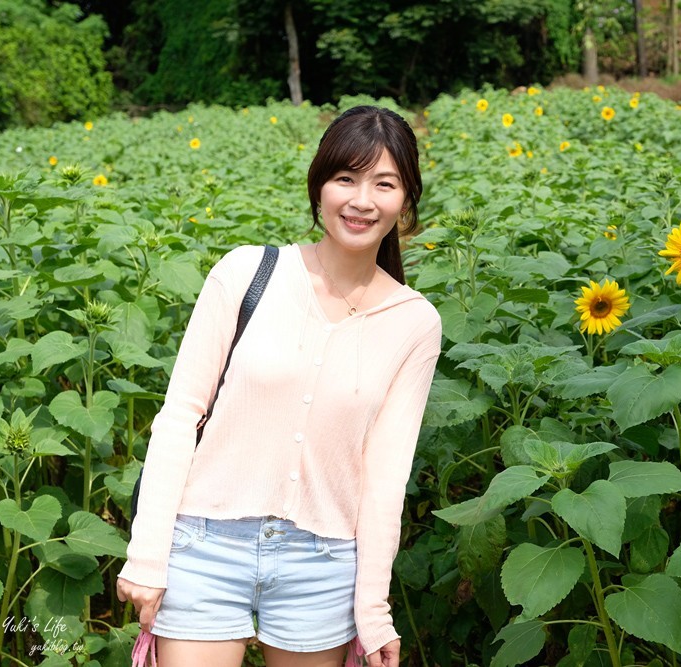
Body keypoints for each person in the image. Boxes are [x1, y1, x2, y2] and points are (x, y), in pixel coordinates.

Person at [116, 105, 442, 667]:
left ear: (405, 201)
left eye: (383, 184)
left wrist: (374, 610)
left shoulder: (415, 323)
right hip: (204, 548)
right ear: (319, 187)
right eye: (346, 178)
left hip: (324, 565)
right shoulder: (246, 272)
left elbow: (386, 476)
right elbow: (179, 415)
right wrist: (146, 555)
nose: (362, 200)